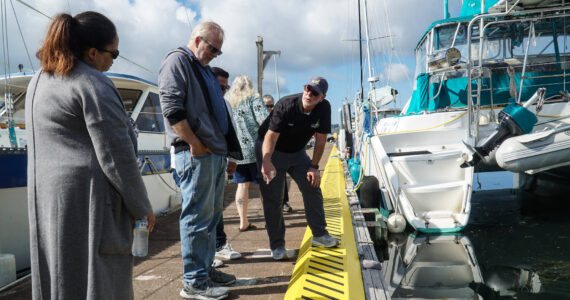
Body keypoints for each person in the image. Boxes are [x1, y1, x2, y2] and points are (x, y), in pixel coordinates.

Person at [26, 11, 155, 299]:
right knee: (99, 281)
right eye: (114, 53)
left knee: (57, 277)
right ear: (93, 52)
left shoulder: (39, 80)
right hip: (91, 203)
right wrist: (141, 206)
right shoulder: (94, 83)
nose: (113, 61)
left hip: (47, 201)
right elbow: (116, 155)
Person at [159, 21, 242, 300]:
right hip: (196, 153)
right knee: (196, 217)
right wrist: (195, 144)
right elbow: (171, 108)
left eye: (219, 52)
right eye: (212, 48)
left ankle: (205, 271)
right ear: (196, 40)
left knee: (210, 217)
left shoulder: (202, 68)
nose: (215, 55)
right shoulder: (177, 61)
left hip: (213, 154)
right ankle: (194, 281)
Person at [256, 76, 339, 261]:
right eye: (307, 88)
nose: (309, 94)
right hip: (272, 149)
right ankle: (277, 246)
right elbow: (270, 136)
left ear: (322, 97)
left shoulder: (324, 108)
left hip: (296, 150)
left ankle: (319, 235)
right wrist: (266, 161)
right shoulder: (286, 105)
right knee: (273, 198)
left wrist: (314, 167)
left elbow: (321, 139)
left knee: (312, 185)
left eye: (315, 92)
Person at [226, 76, 269, 231]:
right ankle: (269, 220)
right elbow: (265, 121)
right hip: (256, 149)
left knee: (242, 186)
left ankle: (243, 221)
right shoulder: (253, 99)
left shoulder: (228, 102)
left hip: (236, 152)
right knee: (264, 186)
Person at [210, 67, 242, 261]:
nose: (223, 91)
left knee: (215, 206)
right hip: (195, 162)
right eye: (219, 87)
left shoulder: (225, 104)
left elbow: (232, 129)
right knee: (198, 211)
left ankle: (218, 244)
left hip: (217, 161)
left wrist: (232, 158)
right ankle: (205, 255)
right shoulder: (197, 102)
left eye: (226, 87)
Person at [263, 94, 292, 213]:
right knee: (266, 179)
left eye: (271, 106)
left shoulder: (278, 115)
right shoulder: (260, 117)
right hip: (265, 152)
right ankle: (272, 206)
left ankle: (283, 202)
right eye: (267, 106)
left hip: (279, 150)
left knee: (281, 176)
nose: (269, 108)